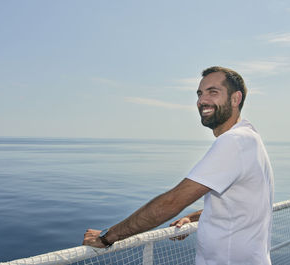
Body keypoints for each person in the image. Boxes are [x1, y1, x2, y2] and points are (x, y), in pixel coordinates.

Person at [83, 66, 274, 265]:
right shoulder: (249, 138)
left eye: (213, 92)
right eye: (200, 93)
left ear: (236, 99)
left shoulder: (234, 142)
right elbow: (239, 207)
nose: (202, 100)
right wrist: (192, 218)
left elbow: (172, 201)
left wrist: (107, 237)